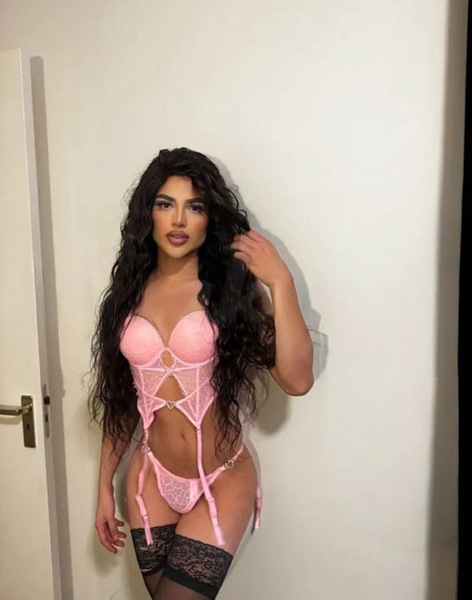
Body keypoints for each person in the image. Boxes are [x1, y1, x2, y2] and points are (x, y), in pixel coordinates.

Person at [89, 147, 314, 599]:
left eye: (194, 207)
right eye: (165, 204)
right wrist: (103, 487)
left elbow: (297, 380)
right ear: (148, 212)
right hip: (150, 478)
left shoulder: (232, 290)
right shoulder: (126, 295)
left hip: (222, 478)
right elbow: (122, 402)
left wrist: (280, 281)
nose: (178, 220)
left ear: (209, 218)